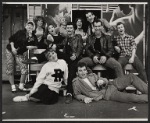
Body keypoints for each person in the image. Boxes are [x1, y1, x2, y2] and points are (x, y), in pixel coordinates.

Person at [73, 62, 148, 104]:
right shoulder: (76, 82)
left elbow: (105, 80)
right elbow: (76, 94)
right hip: (108, 94)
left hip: (111, 84)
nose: (83, 72)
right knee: (132, 97)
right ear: (77, 73)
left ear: (86, 70)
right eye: (80, 70)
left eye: (84, 70)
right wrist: (84, 98)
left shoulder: (92, 75)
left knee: (131, 76)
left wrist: (102, 81)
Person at [5, 21, 37, 93]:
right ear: (26, 26)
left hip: (19, 53)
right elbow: (11, 39)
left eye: (31, 26)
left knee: (24, 68)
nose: (30, 26)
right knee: (10, 66)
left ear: (33, 28)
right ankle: (13, 86)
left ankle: (21, 86)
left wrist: (30, 37)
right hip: (10, 50)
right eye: (28, 25)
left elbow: (34, 44)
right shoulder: (20, 32)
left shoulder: (33, 36)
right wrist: (13, 48)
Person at [62, 22, 83, 104]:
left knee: (71, 71)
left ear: (74, 29)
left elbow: (80, 47)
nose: (69, 29)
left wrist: (76, 55)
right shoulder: (66, 39)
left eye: (71, 28)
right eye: (68, 28)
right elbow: (61, 47)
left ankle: (69, 93)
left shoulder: (78, 37)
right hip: (67, 58)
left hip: (75, 58)